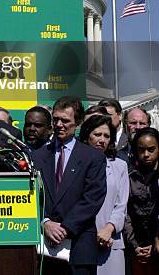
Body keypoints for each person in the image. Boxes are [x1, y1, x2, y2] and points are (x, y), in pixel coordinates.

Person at [32, 96, 107, 275]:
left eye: (65, 120)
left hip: (79, 247)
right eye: (55, 119)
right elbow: (31, 195)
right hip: (45, 248)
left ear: (78, 122)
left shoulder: (93, 158)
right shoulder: (38, 156)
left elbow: (93, 198)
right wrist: (45, 222)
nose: (59, 125)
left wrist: (65, 228)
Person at [79, 114, 129, 274]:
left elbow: (121, 205)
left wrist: (109, 229)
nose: (102, 139)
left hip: (110, 242)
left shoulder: (120, 166)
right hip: (80, 242)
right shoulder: (75, 164)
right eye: (97, 134)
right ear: (87, 136)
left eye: (107, 136)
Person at [123, 128, 159, 274]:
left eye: (151, 150)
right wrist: (135, 245)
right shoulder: (128, 175)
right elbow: (125, 212)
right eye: (141, 150)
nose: (146, 155)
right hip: (135, 246)